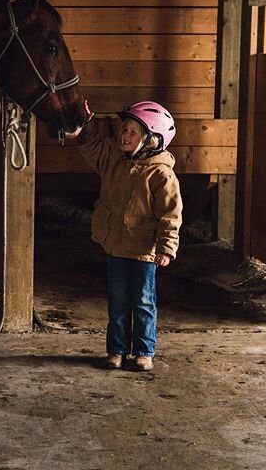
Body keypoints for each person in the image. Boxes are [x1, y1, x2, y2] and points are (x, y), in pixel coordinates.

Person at [78, 99, 182, 371]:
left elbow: (171, 214)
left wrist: (166, 248)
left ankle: (144, 351)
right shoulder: (114, 162)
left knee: (144, 302)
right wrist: (88, 125)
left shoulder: (161, 175)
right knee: (118, 301)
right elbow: (91, 147)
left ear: (151, 140)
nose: (124, 135)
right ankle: (116, 350)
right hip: (116, 248)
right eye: (124, 130)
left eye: (133, 132)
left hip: (144, 251)